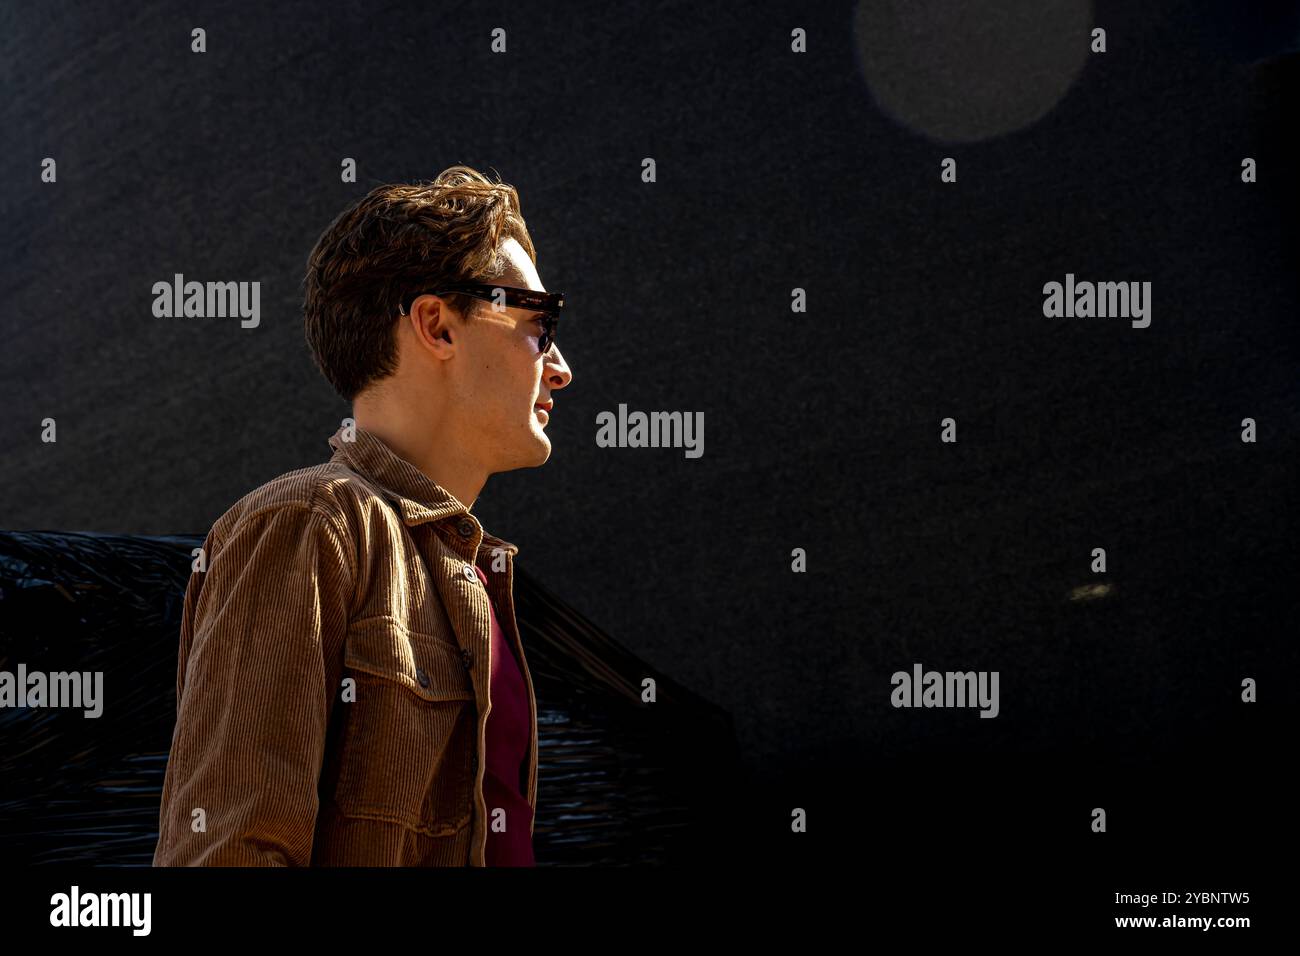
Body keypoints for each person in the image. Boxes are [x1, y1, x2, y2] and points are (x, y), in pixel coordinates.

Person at [152, 165, 573, 866]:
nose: (559, 367)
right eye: (538, 322)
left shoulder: (473, 573)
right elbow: (229, 851)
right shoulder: (308, 524)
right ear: (437, 325)